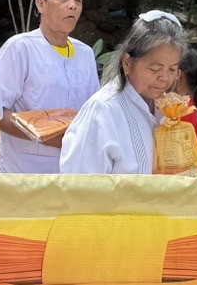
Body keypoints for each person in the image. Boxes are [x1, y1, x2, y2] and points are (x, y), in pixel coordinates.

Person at [0, 0, 101, 174]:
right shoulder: (20, 48)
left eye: (78, 0)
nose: (72, 5)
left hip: (72, 171)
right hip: (23, 171)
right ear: (41, 4)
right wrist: (43, 135)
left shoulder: (85, 53)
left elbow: (93, 112)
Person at [60, 11, 186, 175]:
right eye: (155, 69)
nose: (164, 78)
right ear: (127, 62)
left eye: (172, 69)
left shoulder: (167, 110)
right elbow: (78, 187)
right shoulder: (102, 111)